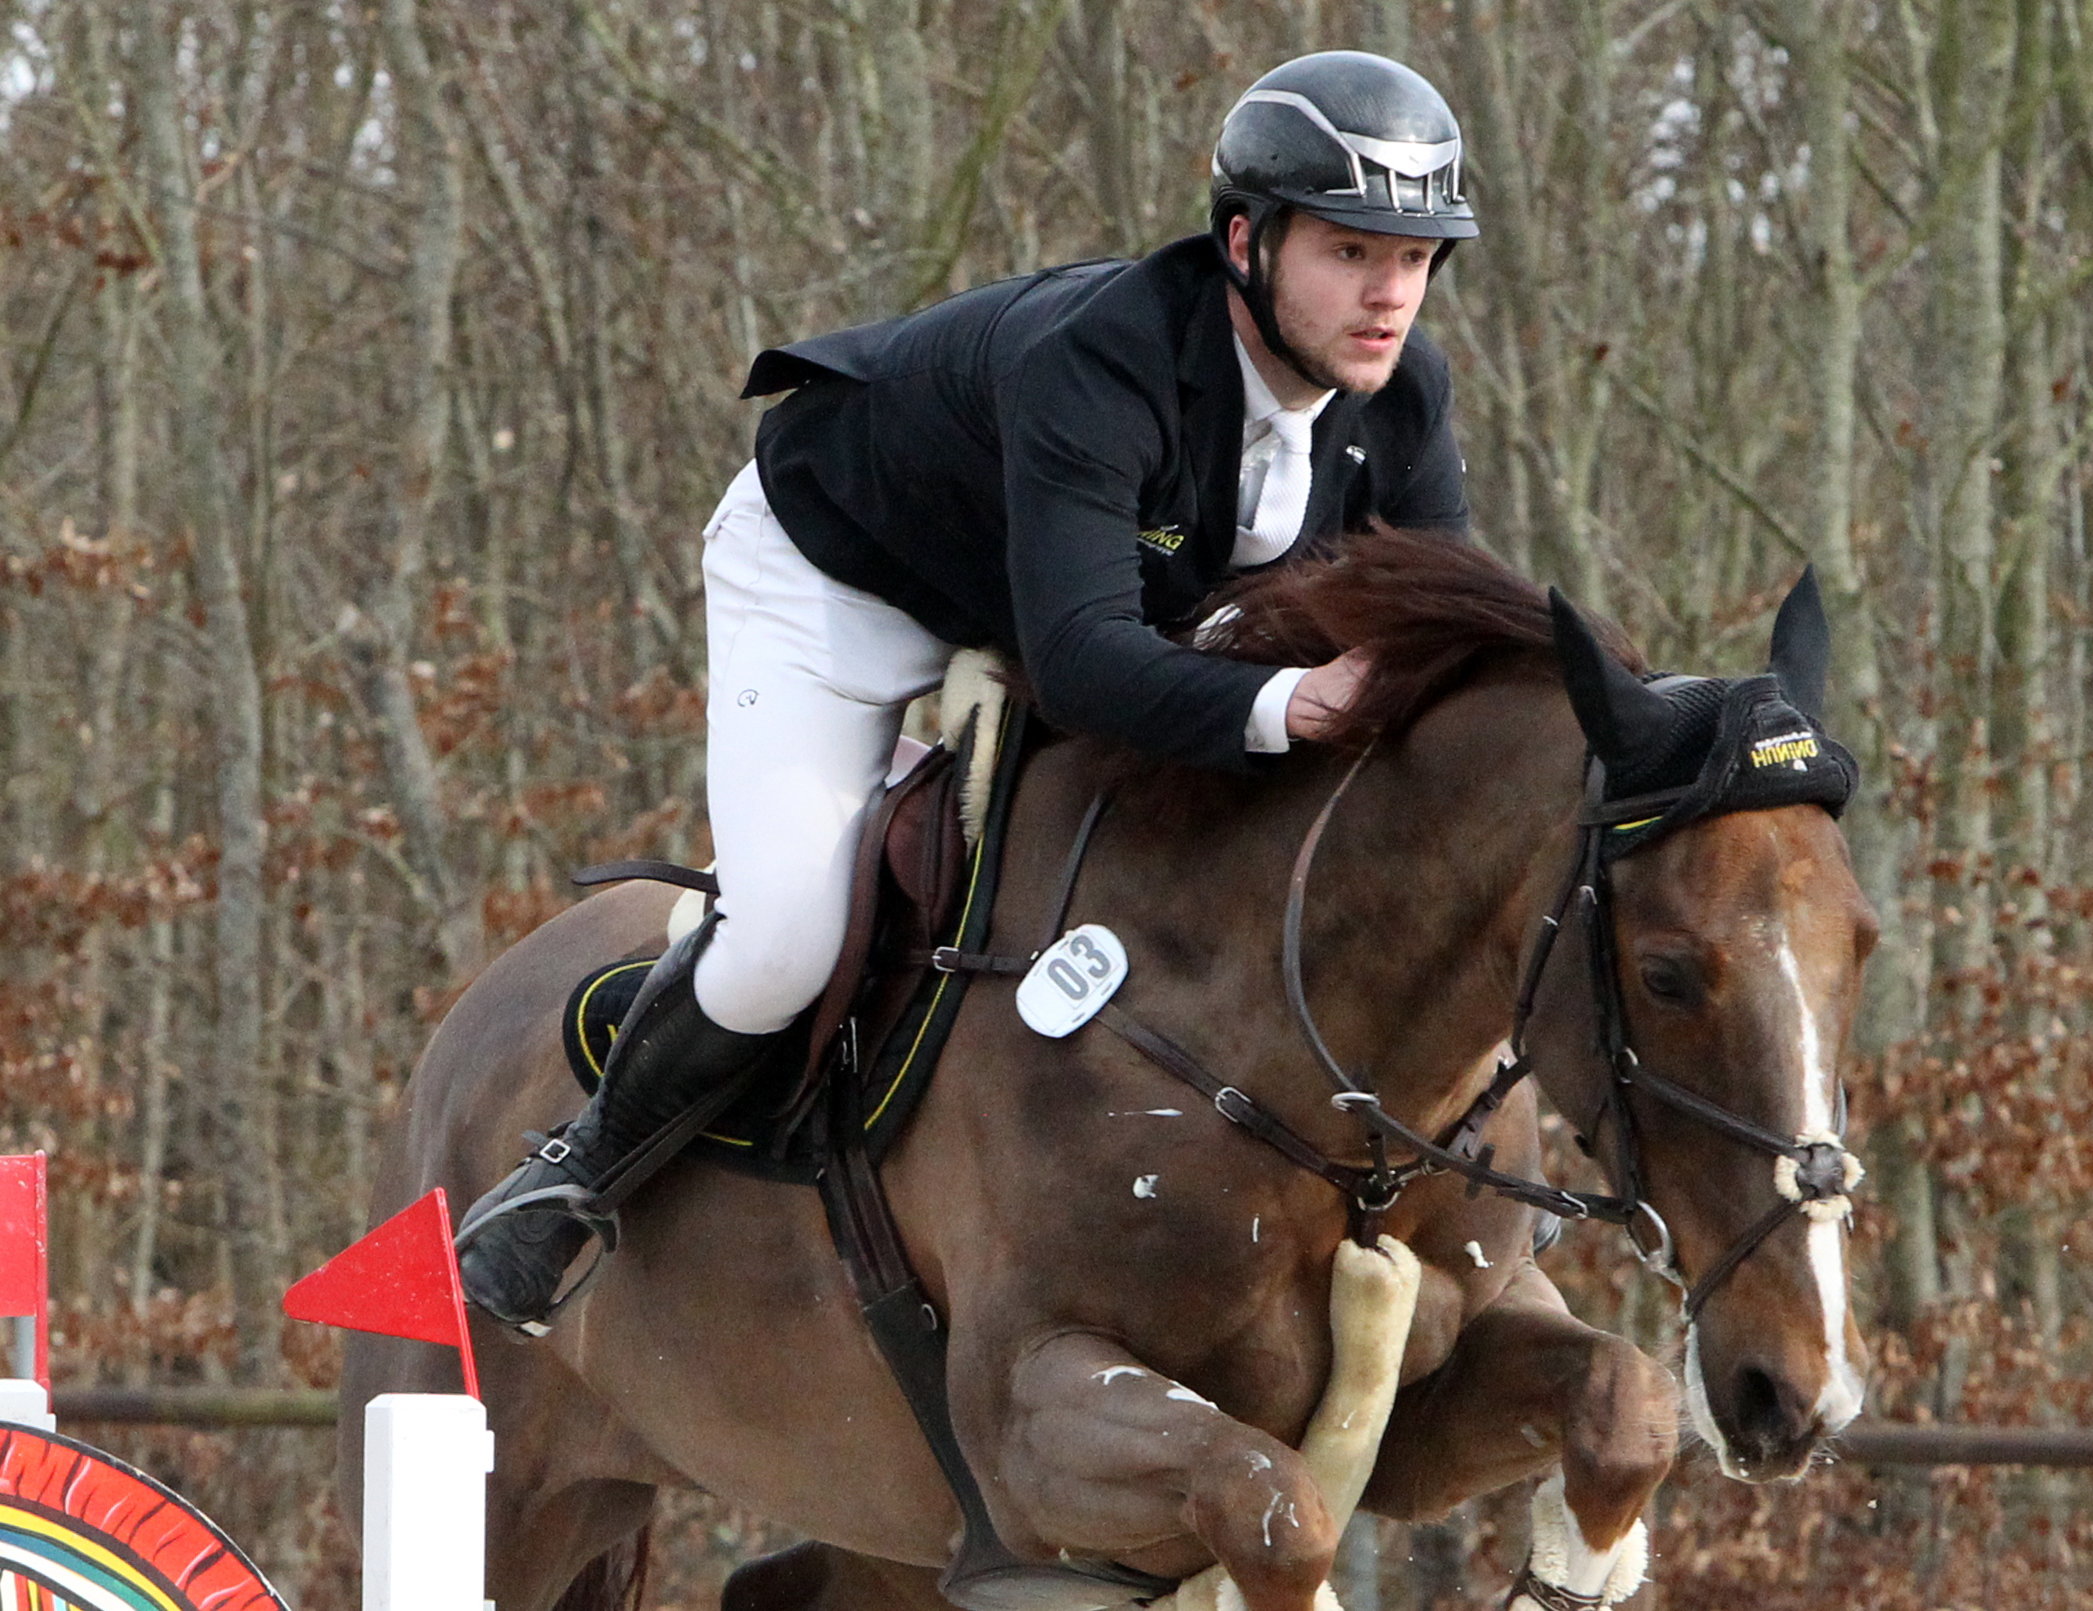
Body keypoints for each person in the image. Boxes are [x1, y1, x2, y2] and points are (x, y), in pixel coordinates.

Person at [456, 50, 1480, 1333]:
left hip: (1051, 598)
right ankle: (572, 1175)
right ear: (1244, 240)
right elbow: (1086, 661)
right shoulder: (1105, 360)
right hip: (841, 579)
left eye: (1415, 259)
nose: (1389, 295)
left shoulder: (1403, 400)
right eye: (1350, 252)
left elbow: (1439, 634)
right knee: (786, 941)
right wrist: (1294, 705)